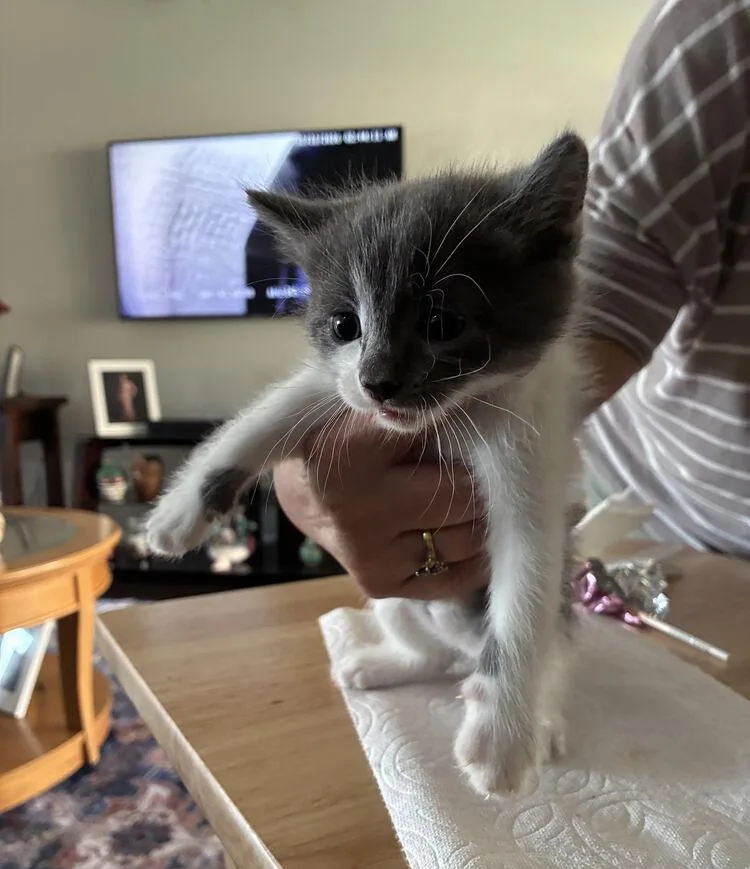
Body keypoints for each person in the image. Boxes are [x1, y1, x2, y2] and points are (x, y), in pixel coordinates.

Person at [273, 0, 750, 602]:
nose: (375, 371)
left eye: (441, 321)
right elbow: (621, 278)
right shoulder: (725, 26)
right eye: (344, 326)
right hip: (683, 546)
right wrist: (308, 472)